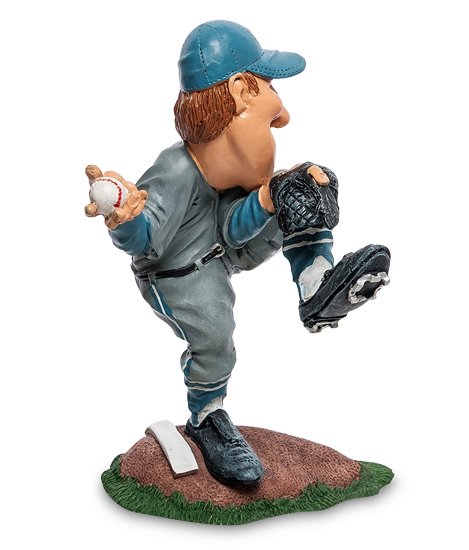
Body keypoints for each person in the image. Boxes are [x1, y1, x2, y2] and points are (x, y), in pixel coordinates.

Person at [85, 20, 390, 487]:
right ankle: (207, 417)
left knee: (301, 187)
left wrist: (272, 195)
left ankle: (317, 286)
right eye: (270, 87)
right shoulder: (175, 168)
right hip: (180, 275)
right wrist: (124, 216)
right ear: (241, 90)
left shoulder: (228, 170)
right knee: (215, 338)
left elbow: (233, 226)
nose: (282, 115)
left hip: (223, 246)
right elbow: (146, 240)